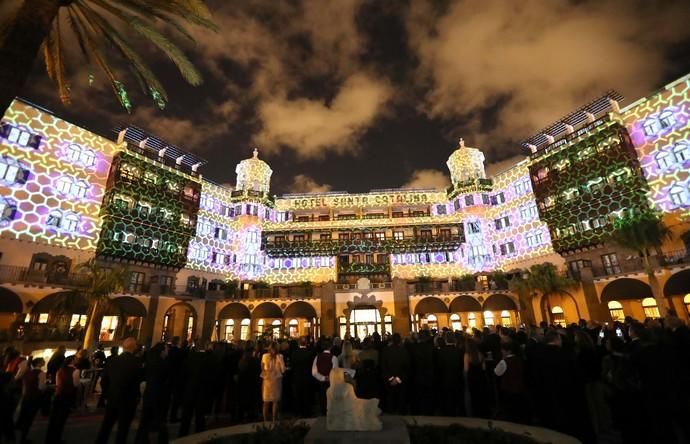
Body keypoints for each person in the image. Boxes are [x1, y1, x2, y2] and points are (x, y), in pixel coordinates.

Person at [95, 337, 143, 444]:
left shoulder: (112, 360)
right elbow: (137, 382)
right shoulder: (136, 362)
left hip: (113, 397)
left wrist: (106, 394)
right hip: (128, 400)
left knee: (106, 426)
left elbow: (104, 380)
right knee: (123, 429)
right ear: (134, 347)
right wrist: (137, 397)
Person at [136, 342, 171, 444]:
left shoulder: (150, 362)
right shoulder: (162, 364)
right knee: (158, 424)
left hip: (149, 395)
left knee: (145, 423)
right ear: (162, 351)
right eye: (166, 349)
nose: (168, 351)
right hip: (158, 397)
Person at [45, 356, 80, 444]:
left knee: (54, 418)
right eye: (75, 359)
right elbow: (76, 384)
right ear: (72, 361)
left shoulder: (60, 369)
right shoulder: (75, 371)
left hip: (58, 395)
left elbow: (57, 383)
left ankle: (50, 438)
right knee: (62, 419)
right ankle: (57, 438)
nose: (77, 360)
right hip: (67, 396)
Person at [16, 358, 46, 444]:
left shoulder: (27, 372)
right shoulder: (41, 373)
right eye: (43, 361)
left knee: (24, 416)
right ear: (39, 363)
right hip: (34, 398)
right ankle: (23, 439)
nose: (44, 362)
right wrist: (47, 387)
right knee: (29, 419)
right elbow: (41, 387)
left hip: (26, 397)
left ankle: (19, 434)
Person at [437, 331, 465, 416]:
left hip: (445, 379)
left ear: (445, 339)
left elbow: (439, 367)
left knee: (447, 400)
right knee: (458, 399)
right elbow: (462, 366)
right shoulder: (460, 351)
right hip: (458, 378)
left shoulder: (440, 352)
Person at [380, 333, 409, 414]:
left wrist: (391, 378)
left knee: (391, 399)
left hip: (389, 380)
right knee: (400, 400)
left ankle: (391, 415)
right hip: (401, 379)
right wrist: (398, 379)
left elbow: (383, 366)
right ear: (400, 340)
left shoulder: (386, 350)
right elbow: (407, 367)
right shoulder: (404, 351)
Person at [261, 342, 286, 424]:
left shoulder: (264, 356)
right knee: (275, 401)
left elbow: (262, 367)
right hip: (276, 380)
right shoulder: (280, 356)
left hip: (267, 379)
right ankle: (274, 420)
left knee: (266, 401)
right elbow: (283, 369)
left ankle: (265, 420)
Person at [312, 338, 338, 415]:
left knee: (322, 399)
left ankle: (323, 413)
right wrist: (329, 378)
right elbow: (335, 371)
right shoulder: (333, 357)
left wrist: (322, 378)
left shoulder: (317, 357)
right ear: (330, 347)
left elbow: (314, 372)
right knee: (331, 399)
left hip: (321, 382)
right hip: (331, 382)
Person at [290, 337, 315, 418]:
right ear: (306, 343)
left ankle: (298, 412)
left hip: (297, 377)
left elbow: (292, 366)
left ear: (299, 343)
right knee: (307, 395)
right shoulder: (310, 353)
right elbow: (312, 366)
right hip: (307, 377)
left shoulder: (294, 353)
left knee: (298, 395)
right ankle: (307, 412)